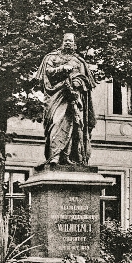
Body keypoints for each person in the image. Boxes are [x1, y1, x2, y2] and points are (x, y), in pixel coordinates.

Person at [36, 33, 96, 165]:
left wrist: (78, 83)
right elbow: (47, 73)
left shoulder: (79, 61)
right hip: (56, 96)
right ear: (62, 42)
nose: (68, 43)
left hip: (73, 97)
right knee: (57, 123)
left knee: (73, 126)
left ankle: (68, 157)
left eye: (71, 41)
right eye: (66, 41)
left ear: (74, 44)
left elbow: (85, 81)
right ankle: (54, 156)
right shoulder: (52, 57)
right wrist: (61, 69)